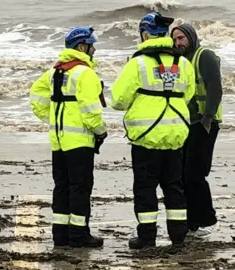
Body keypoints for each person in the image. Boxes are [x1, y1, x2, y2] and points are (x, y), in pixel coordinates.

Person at [109, 12, 195, 252]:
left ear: (145, 34)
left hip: (146, 137)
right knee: (174, 186)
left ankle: (147, 237)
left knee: (145, 188)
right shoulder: (184, 63)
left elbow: (117, 100)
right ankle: (178, 236)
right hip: (176, 135)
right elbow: (188, 95)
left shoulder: (137, 63)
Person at [29, 26, 108, 248]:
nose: (94, 50)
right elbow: (91, 111)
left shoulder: (54, 72)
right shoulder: (86, 73)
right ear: (82, 47)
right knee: (80, 189)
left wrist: (53, 119)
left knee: (61, 187)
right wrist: (101, 130)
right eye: (92, 46)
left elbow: (35, 97)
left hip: (58, 140)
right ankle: (79, 236)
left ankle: (60, 236)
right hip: (80, 142)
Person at [171, 24, 223, 238]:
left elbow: (215, 89)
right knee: (183, 174)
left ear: (191, 37)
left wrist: (207, 119)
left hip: (205, 123)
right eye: (174, 40)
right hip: (186, 124)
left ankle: (208, 220)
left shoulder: (205, 56)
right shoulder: (180, 62)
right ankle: (192, 223)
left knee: (196, 173)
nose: (178, 43)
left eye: (181, 38)